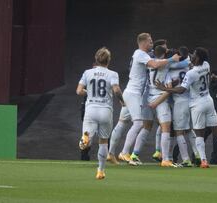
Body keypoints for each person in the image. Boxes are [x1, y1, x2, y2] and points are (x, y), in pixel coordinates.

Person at [155, 47, 217, 169]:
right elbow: (196, 58)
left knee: (199, 134)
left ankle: (204, 161)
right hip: (209, 101)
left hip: (197, 104)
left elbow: (182, 89)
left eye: (194, 54)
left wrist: (165, 89)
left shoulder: (191, 73)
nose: (192, 56)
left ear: (198, 57)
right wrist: (186, 52)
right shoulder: (206, 65)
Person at [117, 33, 180, 163]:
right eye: (150, 41)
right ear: (144, 43)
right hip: (144, 95)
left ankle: (132, 153)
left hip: (143, 95)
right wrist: (173, 58)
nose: (152, 44)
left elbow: (154, 60)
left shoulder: (147, 57)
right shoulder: (161, 63)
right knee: (162, 127)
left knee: (144, 126)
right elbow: (181, 62)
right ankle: (165, 158)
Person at [76, 47, 124, 180]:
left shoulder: (87, 73)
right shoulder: (113, 74)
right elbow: (116, 90)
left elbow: (79, 91)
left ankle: (86, 139)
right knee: (103, 142)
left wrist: (89, 92)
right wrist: (122, 101)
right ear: (108, 60)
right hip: (105, 110)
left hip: (91, 109)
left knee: (86, 137)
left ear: (96, 59)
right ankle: (101, 171)